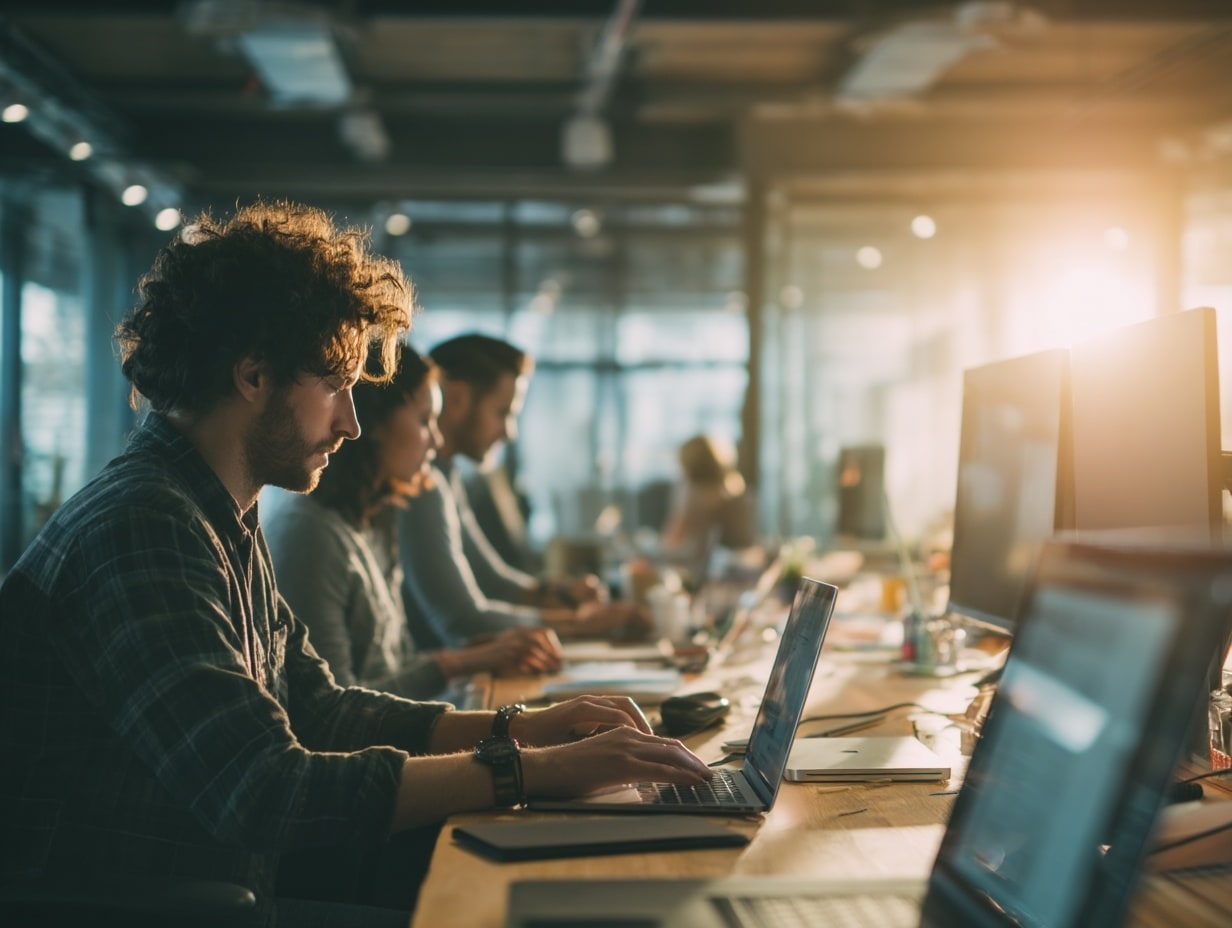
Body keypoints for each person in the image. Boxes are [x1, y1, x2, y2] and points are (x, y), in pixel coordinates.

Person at [0, 202, 711, 927]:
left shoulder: (215, 513)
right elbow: (265, 789)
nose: (352, 422)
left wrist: (524, 728)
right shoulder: (144, 527)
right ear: (253, 376)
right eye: (337, 383)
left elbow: (321, 708)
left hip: (234, 895)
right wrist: (532, 771)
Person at [263, 343, 563, 699]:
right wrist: (458, 663)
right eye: (424, 422)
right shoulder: (310, 534)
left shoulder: (375, 521)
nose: (436, 440)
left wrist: (475, 658)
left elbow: (394, 665)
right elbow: (336, 709)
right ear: (374, 425)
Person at [398, 332, 646, 649]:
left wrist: (555, 593)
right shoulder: (423, 482)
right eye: (503, 413)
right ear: (458, 398)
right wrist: (580, 624)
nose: (509, 433)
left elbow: (491, 579)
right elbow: (462, 620)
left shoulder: (445, 474)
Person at [660, 434, 757, 577]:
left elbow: (672, 539)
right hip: (744, 568)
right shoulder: (736, 486)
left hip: (704, 571)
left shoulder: (692, 493)